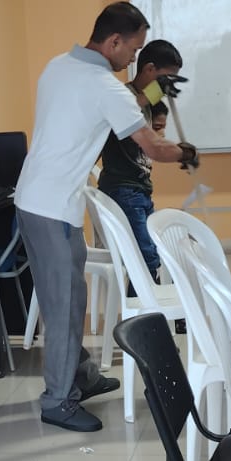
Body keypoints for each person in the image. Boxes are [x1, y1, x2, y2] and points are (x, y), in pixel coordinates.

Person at [15, 4, 197, 433]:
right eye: (132, 50)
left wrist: (154, 98)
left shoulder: (58, 66)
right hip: (52, 206)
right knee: (64, 307)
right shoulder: (105, 87)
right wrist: (188, 152)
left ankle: (81, 375)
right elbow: (153, 147)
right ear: (114, 41)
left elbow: (126, 106)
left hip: (34, 198)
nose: (133, 59)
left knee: (69, 300)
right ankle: (58, 402)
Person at [98, 39, 183, 282]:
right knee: (146, 259)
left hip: (139, 189)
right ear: (149, 69)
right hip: (123, 189)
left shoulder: (145, 103)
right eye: (165, 78)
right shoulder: (125, 96)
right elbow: (127, 108)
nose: (168, 84)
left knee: (150, 252)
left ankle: (142, 300)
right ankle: (144, 304)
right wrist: (155, 92)